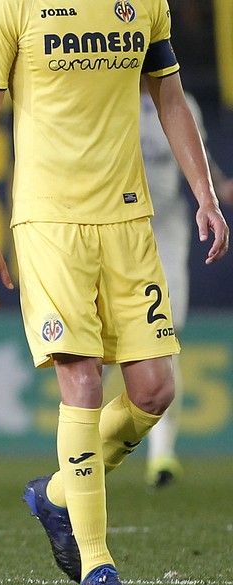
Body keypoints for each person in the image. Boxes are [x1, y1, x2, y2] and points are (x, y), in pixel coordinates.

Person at [0, 0, 228, 585]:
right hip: (49, 222)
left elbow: (169, 96)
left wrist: (204, 195)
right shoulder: (12, 7)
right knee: (81, 380)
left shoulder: (145, 6)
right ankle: (97, 565)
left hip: (129, 220)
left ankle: (56, 495)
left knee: (155, 390)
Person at [137, 92, 233, 489]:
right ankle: (86, 450)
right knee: (97, 341)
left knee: (166, 335)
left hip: (169, 230)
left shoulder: (181, 102)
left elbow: (193, 148)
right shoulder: (108, 89)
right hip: (118, 225)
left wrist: (217, 186)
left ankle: (162, 455)